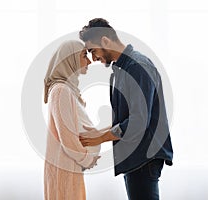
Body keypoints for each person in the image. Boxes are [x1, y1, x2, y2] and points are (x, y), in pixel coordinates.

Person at [79, 18, 174, 200]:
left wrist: (98, 137)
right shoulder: (121, 70)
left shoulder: (138, 66)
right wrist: (96, 134)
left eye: (93, 51)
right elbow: (123, 121)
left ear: (105, 40)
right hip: (136, 157)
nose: (93, 58)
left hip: (144, 157)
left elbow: (137, 122)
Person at [43, 40, 101, 200]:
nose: (89, 61)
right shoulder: (61, 91)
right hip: (66, 168)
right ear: (70, 59)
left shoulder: (66, 90)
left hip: (69, 167)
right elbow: (67, 137)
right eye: (84, 56)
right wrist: (88, 159)